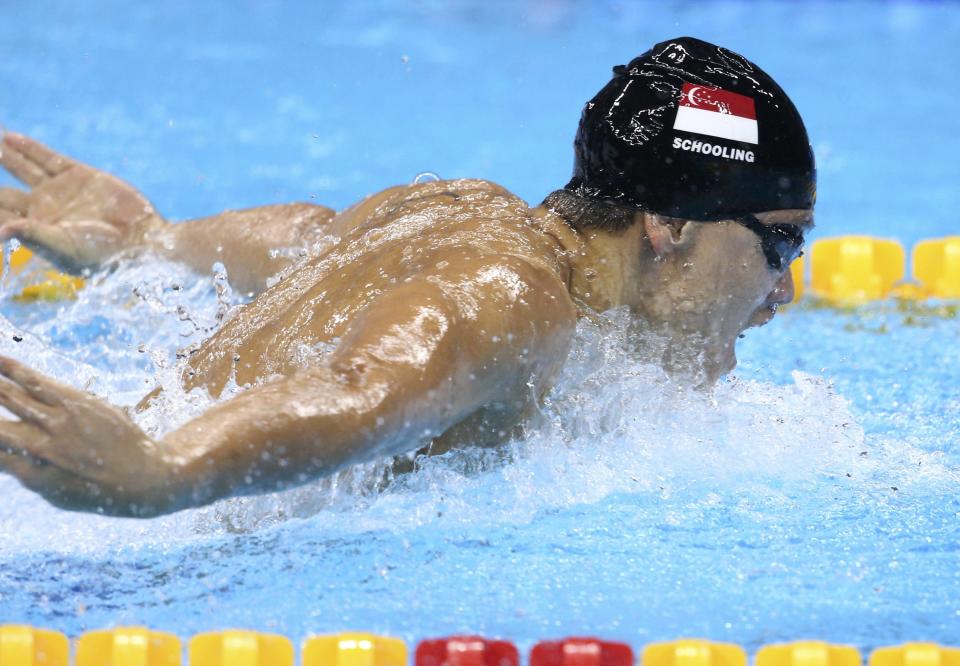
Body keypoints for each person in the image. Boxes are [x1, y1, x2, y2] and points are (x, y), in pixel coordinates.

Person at [0, 37, 814, 517]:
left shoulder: (455, 209)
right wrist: (160, 473)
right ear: (667, 223)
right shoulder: (512, 298)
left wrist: (153, 238)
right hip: (130, 536)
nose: (784, 290)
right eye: (780, 245)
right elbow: (362, 387)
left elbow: (309, 238)